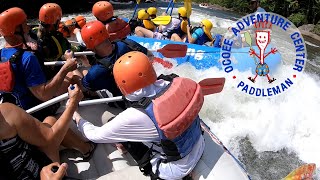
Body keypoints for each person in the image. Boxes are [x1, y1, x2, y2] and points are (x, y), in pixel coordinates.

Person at [73, 51, 205, 179]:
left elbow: (94, 135)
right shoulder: (174, 81)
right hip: (200, 143)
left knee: (120, 128)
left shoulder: (135, 115)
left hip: (174, 169)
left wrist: (75, 115)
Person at [0, 84, 95, 180]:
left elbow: (49, 138)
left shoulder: (6, 114)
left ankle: (86, 149)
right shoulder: (5, 113)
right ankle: (87, 149)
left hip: (36, 161)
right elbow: (43, 94)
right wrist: (73, 103)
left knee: (50, 122)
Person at [0, 7, 80, 120]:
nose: (28, 27)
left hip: (15, 112)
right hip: (37, 113)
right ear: (16, 29)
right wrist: (66, 68)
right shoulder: (27, 58)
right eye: (25, 24)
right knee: (72, 75)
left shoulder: (2, 54)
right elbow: (44, 95)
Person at [80, 20, 152, 100]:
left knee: (83, 72)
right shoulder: (128, 43)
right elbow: (149, 55)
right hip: (150, 89)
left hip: (127, 101)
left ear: (91, 48)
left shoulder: (96, 72)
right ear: (107, 35)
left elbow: (83, 87)